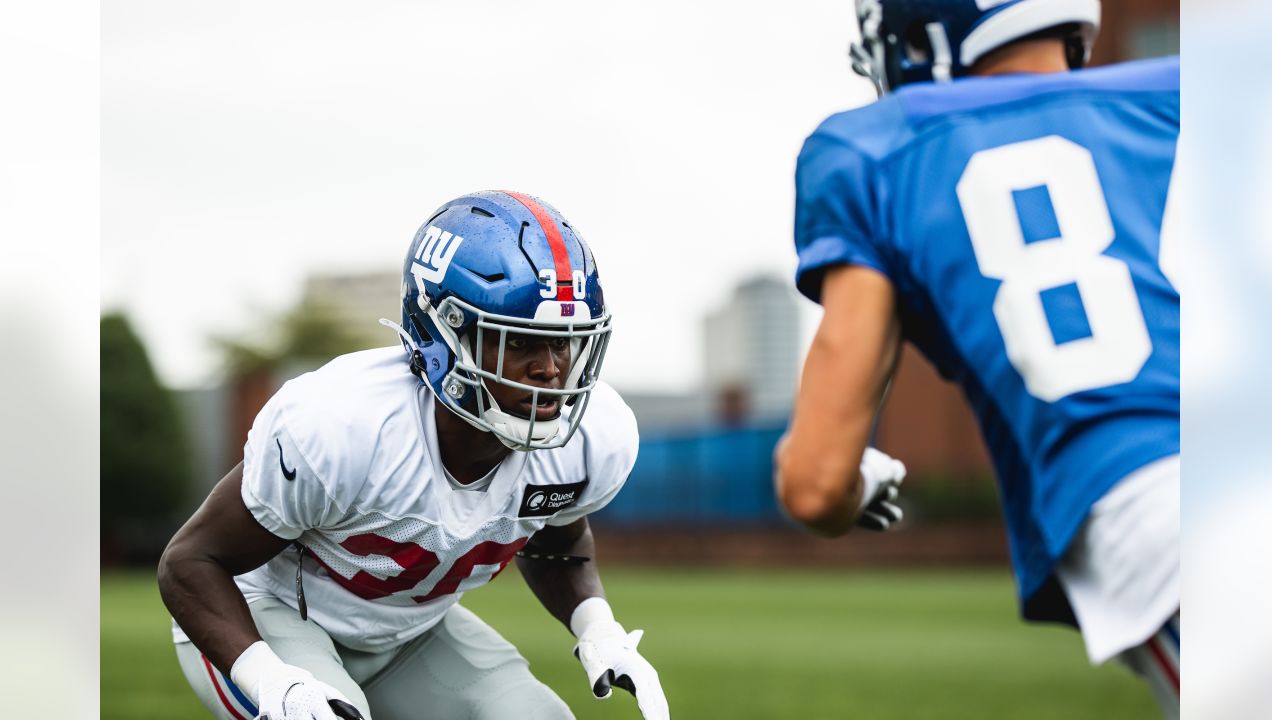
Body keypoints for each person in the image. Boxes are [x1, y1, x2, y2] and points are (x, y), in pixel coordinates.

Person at [774, 1, 1179, 716]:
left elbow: (813, 482)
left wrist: (854, 486)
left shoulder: (876, 150)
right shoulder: (1193, 96)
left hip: (1154, 514)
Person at [158, 190, 669, 720]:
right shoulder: (344, 425)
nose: (551, 371)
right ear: (443, 336)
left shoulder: (589, 439)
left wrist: (597, 628)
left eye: (562, 342)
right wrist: (270, 679)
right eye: (519, 344)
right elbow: (192, 561)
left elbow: (558, 543)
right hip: (272, 615)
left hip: (411, 634)